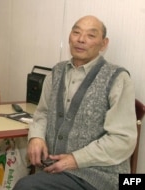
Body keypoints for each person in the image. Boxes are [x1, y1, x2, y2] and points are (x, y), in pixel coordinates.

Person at [13, 15, 137, 190]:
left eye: (91, 35)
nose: (81, 39)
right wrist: (36, 137)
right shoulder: (56, 72)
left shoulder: (117, 78)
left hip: (98, 175)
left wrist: (75, 159)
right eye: (76, 32)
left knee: (26, 187)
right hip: (56, 170)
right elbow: (42, 113)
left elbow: (122, 139)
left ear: (104, 43)